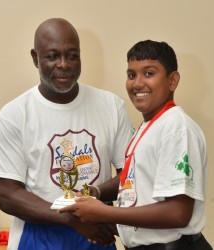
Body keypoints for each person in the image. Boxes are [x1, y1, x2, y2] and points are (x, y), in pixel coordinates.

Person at [0, 18, 133, 250]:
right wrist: (70, 219)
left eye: (72, 55)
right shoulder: (14, 114)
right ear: (35, 58)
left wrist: (96, 196)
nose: (64, 64)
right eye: (53, 56)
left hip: (95, 234)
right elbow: (7, 195)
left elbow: (130, 175)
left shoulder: (111, 106)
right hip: (37, 238)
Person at [59, 40, 213, 250]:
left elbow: (178, 214)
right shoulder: (148, 126)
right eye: (132, 75)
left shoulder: (176, 126)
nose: (137, 83)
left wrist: (103, 212)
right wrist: (98, 202)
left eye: (149, 73)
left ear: (172, 80)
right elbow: (141, 197)